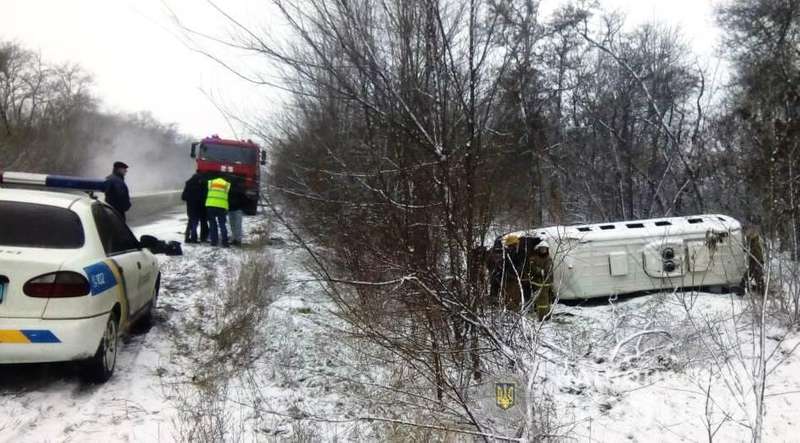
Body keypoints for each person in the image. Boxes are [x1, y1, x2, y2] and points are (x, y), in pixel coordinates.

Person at [529, 241, 554, 321]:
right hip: (536, 283)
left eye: (545, 249)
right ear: (539, 249)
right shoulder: (535, 258)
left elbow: (547, 271)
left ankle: (544, 317)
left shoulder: (548, 259)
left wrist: (539, 270)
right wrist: (537, 269)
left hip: (545, 283)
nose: (543, 250)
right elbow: (531, 268)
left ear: (547, 250)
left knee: (544, 301)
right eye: (541, 249)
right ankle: (540, 314)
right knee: (538, 300)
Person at [181, 172, 209, 243]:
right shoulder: (203, 185)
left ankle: (187, 238)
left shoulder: (188, 184)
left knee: (191, 222)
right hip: (201, 207)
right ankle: (200, 238)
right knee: (200, 223)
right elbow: (205, 196)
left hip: (190, 207)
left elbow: (183, 197)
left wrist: (190, 199)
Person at [205, 175, 231, 247]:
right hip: (222, 206)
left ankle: (214, 242)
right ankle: (225, 242)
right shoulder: (227, 185)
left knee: (212, 224)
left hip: (211, 205)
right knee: (222, 224)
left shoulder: (211, 182)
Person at [227, 177, 245, 246]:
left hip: (231, 209)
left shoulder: (229, 189)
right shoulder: (241, 189)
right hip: (238, 209)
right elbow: (244, 198)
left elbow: (226, 198)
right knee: (238, 225)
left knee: (232, 225)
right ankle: (238, 240)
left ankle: (234, 238)